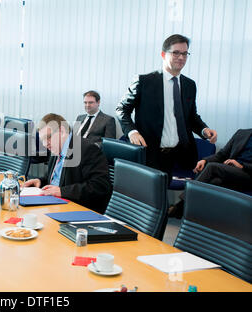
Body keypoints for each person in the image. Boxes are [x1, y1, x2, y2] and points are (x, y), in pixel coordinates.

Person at [116, 34, 217, 182]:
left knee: (170, 195)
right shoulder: (144, 81)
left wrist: (204, 130)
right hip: (151, 153)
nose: (181, 57)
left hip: (180, 153)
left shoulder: (189, 85)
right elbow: (122, 109)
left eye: (184, 53)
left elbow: (191, 116)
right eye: (176, 52)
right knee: (148, 199)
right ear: (163, 54)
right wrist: (132, 132)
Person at [23, 113, 112, 213]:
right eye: (43, 140)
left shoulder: (88, 149)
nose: (45, 144)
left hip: (76, 210)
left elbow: (100, 186)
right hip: (53, 204)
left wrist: (62, 191)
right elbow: (56, 179)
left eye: (48, 137)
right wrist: (40, 181)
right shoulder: (56, 149)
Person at [168, 128, 252, 219]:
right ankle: (194, 214)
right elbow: (222, 155)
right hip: (230, 172)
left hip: (247, 174)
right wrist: (204, 160)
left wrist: (242, 165)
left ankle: (180, 205)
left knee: (212, 167)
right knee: (214, 181)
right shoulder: (242, 133)